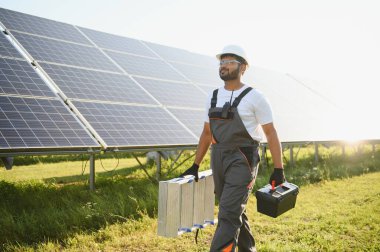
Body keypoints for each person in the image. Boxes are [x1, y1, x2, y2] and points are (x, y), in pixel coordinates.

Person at [180, 45, 285, 252]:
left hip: (243, 159)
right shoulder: (212, 96)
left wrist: (279, 169)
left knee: (228, 213)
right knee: (234, 209)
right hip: (218, 157)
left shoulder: (256, 97)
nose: (223, 66)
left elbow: (271, 133)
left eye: (229, 62)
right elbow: (207, 134)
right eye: (221, 62)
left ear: (243, 67)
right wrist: (195, 165)